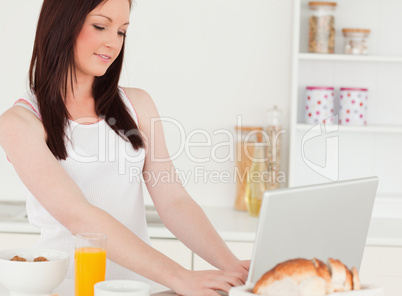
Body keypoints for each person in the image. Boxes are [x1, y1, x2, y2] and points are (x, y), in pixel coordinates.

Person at [0, 0, 250, 294]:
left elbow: (174, 201)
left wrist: (231, 266)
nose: (113, 42)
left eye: (122, 32)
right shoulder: (20, 122)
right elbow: (80, 217)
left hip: (139, 288)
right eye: (100, 26)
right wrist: (180, 276)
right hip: (69, 287)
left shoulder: (137, 104)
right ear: (61, 23)